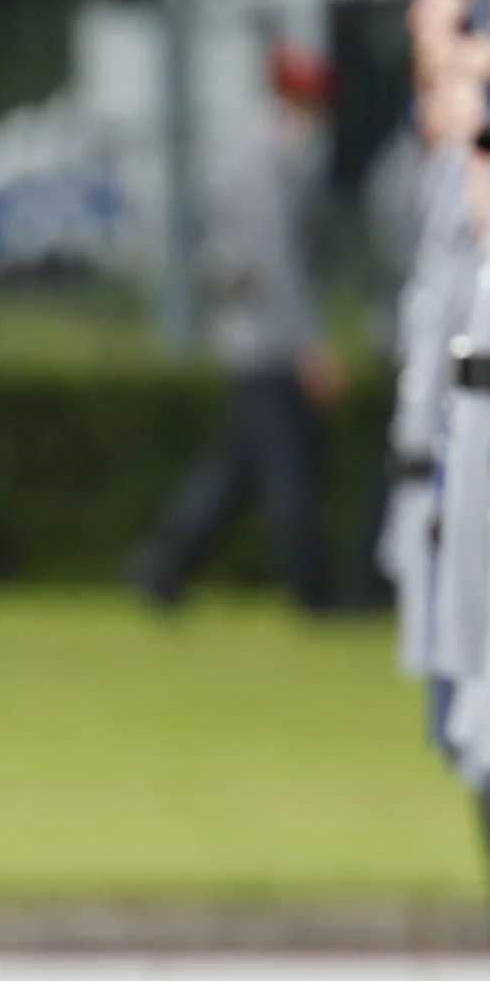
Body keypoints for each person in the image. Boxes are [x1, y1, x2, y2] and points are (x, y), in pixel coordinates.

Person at [123, 41, 340, 609]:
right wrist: (309, 345)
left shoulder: (264, 151)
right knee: (287, 470)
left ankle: (164, 562)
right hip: (266, 341)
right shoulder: (266, 159)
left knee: (235, 472)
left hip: (255, 334)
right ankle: (309, 584)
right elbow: (276, 262)